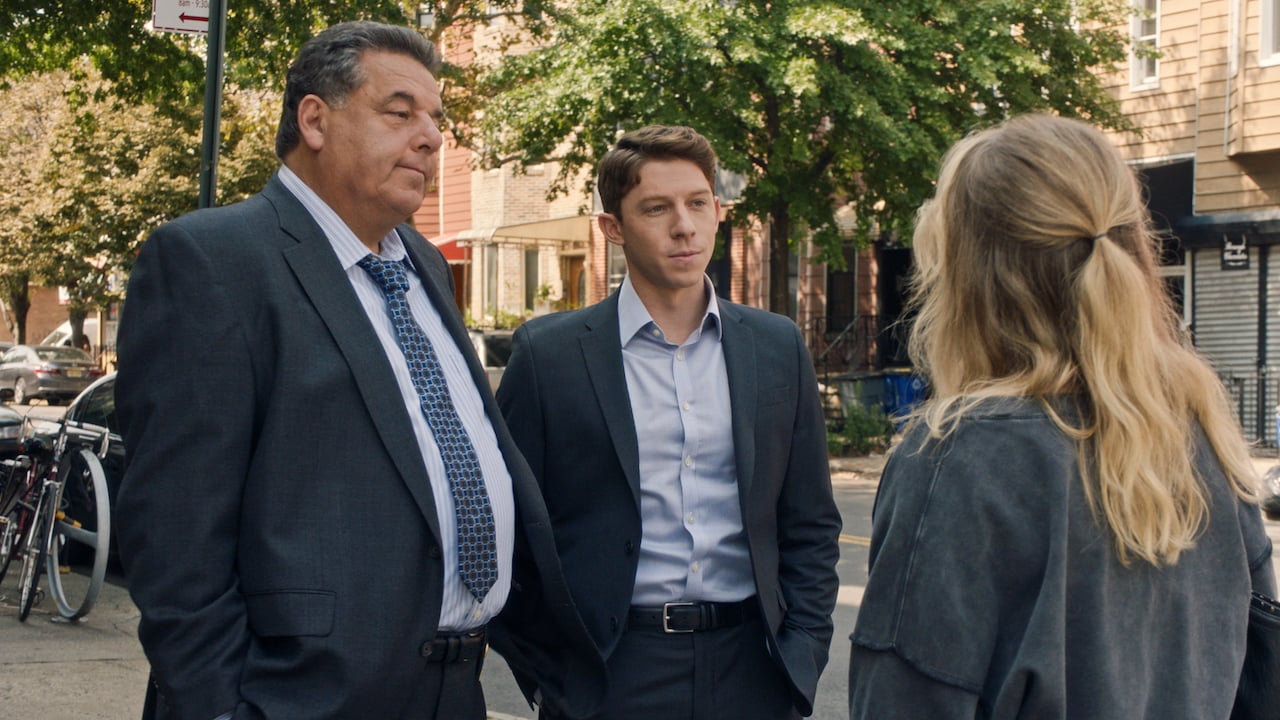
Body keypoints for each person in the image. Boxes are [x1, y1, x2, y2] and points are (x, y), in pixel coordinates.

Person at [114, 21, 603, 720]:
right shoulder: (213, 261)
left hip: (454, 688)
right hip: (299, 697)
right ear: (315, 119)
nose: (432, 137)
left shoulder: (424, 263)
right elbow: (175, 537)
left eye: (436, 119)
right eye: (400, 113)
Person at [847, 114, 1276, 719]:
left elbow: (904, 700)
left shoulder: (957, 455)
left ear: (972, 277)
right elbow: (1261, 686)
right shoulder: (1205, 432)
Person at [496, 124, 842, 720]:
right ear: (613, 228)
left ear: (717, 210)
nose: (684, 225)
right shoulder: (548, 356)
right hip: (612, 674)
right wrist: (553, 678)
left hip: (753, 669)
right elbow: (511, 532)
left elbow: (810, 521)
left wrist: (802, 651)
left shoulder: (775, 346)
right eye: (656, 208)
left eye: (697, 203)